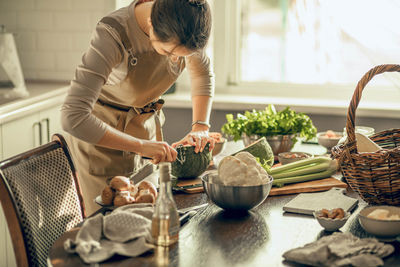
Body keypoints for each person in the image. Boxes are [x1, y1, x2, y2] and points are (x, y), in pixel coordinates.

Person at [61, 0, 215, 214]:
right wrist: (141, 146)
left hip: (146, 134)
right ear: (151, 24)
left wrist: (200, 126)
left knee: (145, 220)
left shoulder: (186, 23)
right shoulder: (113, 34)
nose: (176, 61)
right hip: (102, 142)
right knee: (108, 226)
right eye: (169, 52)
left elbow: (201, 72)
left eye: (182, 57)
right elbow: (73, 116)